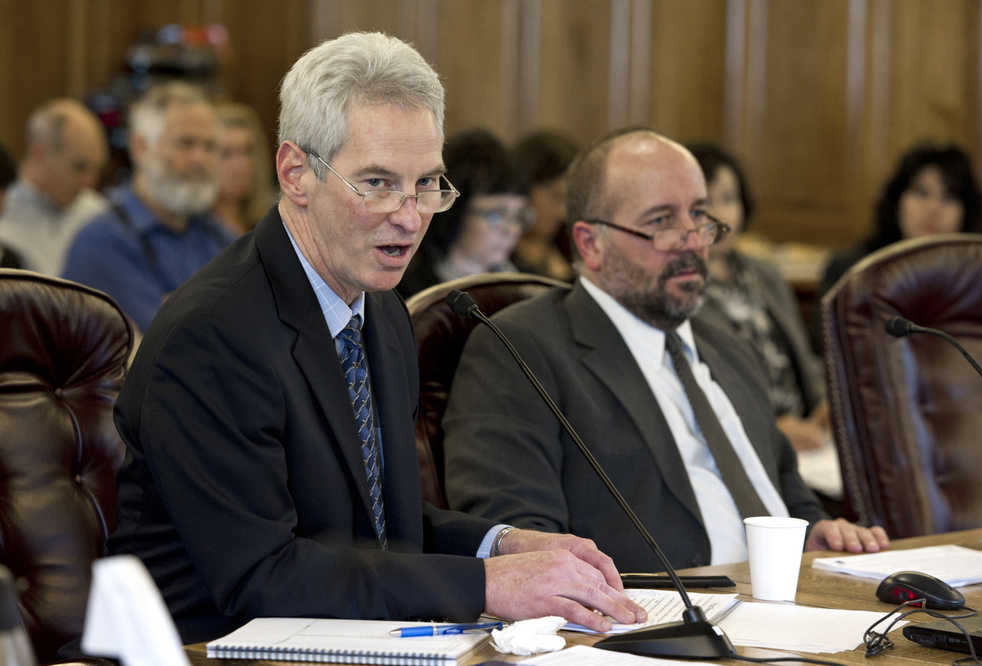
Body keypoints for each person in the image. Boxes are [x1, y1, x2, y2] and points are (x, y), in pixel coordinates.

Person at [108, 33, 644, 644]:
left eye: (426, 184)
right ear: (295, 173)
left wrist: (506, 544)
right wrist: (488, 586)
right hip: (208, 649)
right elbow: (264, 575)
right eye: (379, 183)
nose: (411, 216)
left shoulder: (379, 309)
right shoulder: (212, 336)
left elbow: (383, 529)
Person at [442, 128, 889, 573]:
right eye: (661, 222)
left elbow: (786, 488)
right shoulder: (520, 350)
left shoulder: (729, 349)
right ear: (591, 244)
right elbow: (518, 541)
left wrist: (815, 532)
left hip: (794, 597)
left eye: (698, 215)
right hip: (655, 620)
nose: (692, 240)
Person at [688, 144, 832, 460]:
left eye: (729, 199)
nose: (720, 215)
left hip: (810, 438)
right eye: (706, 203)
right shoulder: (681, 287)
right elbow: (699, 393)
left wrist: (824, 404)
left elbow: (803, 357)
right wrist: (772, 428)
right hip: (743, 445)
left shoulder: (764, 274)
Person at [62, 82, 233, 330]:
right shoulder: (101, 243)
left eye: (210, 147)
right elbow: (164, 344)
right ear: (140, 148)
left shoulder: (220, 239)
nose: (200, 159)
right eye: (185, 144)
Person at [821, 143, 982, 292]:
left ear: (968, 212)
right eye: (921, 192)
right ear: (896, 201)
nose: (933, 208)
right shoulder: (851, 272)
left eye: (949, 197)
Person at [397, 128, 530, 298]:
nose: (512, 230)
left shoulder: (529, 283)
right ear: (455, 213)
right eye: (496, 215)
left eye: (518, 215)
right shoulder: (409, 291)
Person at [0, 99, 108, 275]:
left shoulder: (99, 215)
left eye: (96, 170)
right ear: (38, 155)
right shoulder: (4, 211)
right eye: (79, 167)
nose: (89, 182)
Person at [510, 130, 579, 281]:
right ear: (524, 189)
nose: (563, 214)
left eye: (568, 200)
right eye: (556, 197)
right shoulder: (496, 249)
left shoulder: (570, 243)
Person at [212, 101, 275, 235]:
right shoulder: (193, 232)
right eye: (226, 154)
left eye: (248, 151)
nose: (241, 164)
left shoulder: (270, 223)